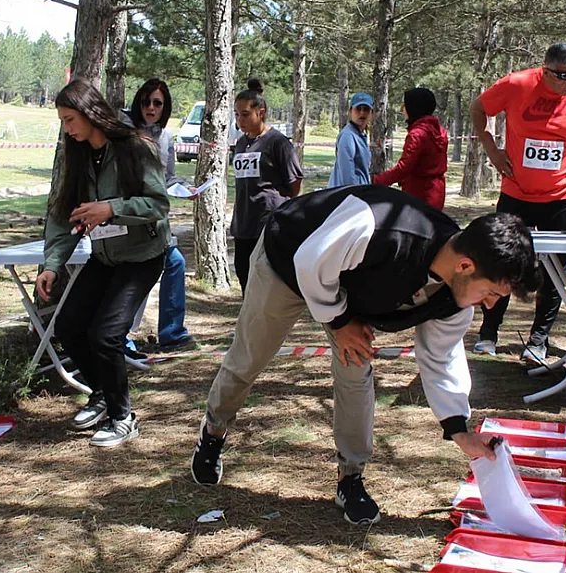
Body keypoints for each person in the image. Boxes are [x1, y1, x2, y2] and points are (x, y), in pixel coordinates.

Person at [190, 186, 539, 523]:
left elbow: (440, 358)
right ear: (464, 266)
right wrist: (341, 322)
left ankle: (350, 479)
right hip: (291, 258)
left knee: (355, 371)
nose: (492, 305)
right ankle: (214, 431)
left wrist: (459, 429)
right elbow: (311, 261)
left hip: (348, 284)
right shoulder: (380, 225)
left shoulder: (455, 302)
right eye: (492, 292)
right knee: (252, 354)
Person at [34, 79, 171, 447]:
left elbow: (158, 205)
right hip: (103, 256)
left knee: (106, 335)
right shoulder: (76, 155)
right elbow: (64, 217)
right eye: (62, 121)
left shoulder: (135, 147)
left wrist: (112, 209)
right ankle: (101, 394)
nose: (66, 129)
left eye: (69, 119)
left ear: (90, 113)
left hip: (142, 256)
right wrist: (52, 265)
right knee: (69, 325)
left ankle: (123, 417)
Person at [468, 42, 566, 363]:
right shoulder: (517, 84)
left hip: (563, 197)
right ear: (545, 70)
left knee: (555, 270)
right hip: (516, 193)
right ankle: (489, 332)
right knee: (502, 263)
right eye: (562, 76)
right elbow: (478, 108)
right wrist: (491, 148)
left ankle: (538, 339)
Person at [122, 78, 198, 354]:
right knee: (136, 272)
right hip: (129, 216)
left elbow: (168, 178)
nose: (151, 108)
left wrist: (185, 189)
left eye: (157, 103)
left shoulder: (165, 136)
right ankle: (122, 336)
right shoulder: (124, 128)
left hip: (155, 218)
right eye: (146, 101)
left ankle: (172, 334)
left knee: (175, 263)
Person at [231, 78, 304, 291]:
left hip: (267, 224)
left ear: (260, 113)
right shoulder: (242, 143)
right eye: (237, 114)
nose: (240, 120)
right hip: (243, 224)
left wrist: (277, 206)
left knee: (266, 283)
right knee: (245, 277)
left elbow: (295, 182)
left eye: (245, 114)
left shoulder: (277, 142)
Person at [373, 87, 449, 210]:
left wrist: (375, 180)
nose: (402, 109)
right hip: (437, 191)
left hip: (420, 194)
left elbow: (403, 169)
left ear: (414, 107)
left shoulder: (417, 135)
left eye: (405, 105)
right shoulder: (440, 131)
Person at [327, 92, 373, 188]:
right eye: (358, 109)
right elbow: (347, 177)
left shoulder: (360, 135)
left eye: (366, 109)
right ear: (350, 111)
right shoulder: (347, 136)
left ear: (371, 113)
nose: (362, 112)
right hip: (347, 196)